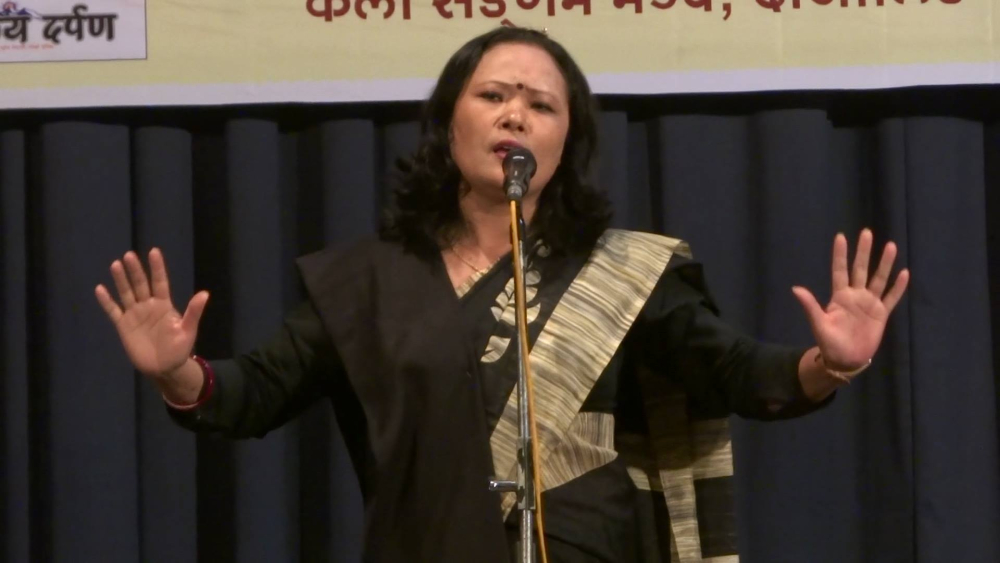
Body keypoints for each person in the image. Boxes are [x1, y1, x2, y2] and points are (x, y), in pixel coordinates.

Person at [94, 26, 909, 563]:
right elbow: (252, 392)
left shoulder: (626, 273)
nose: (515, 113)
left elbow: (733, 369)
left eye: (541, 105)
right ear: (450, 124)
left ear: (567, 141)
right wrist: (179, 372)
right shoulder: (370, 278)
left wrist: (824, 365)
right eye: (493, 96)